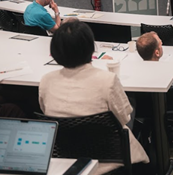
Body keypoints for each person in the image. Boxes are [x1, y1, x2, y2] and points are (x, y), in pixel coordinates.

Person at [38, 20, 148, 167]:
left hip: (64, 156)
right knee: (131, 101)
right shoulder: (107, 80)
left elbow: (45, 111)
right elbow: (124, 118)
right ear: (90, 47)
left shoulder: (46, 81)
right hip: (109, 155)